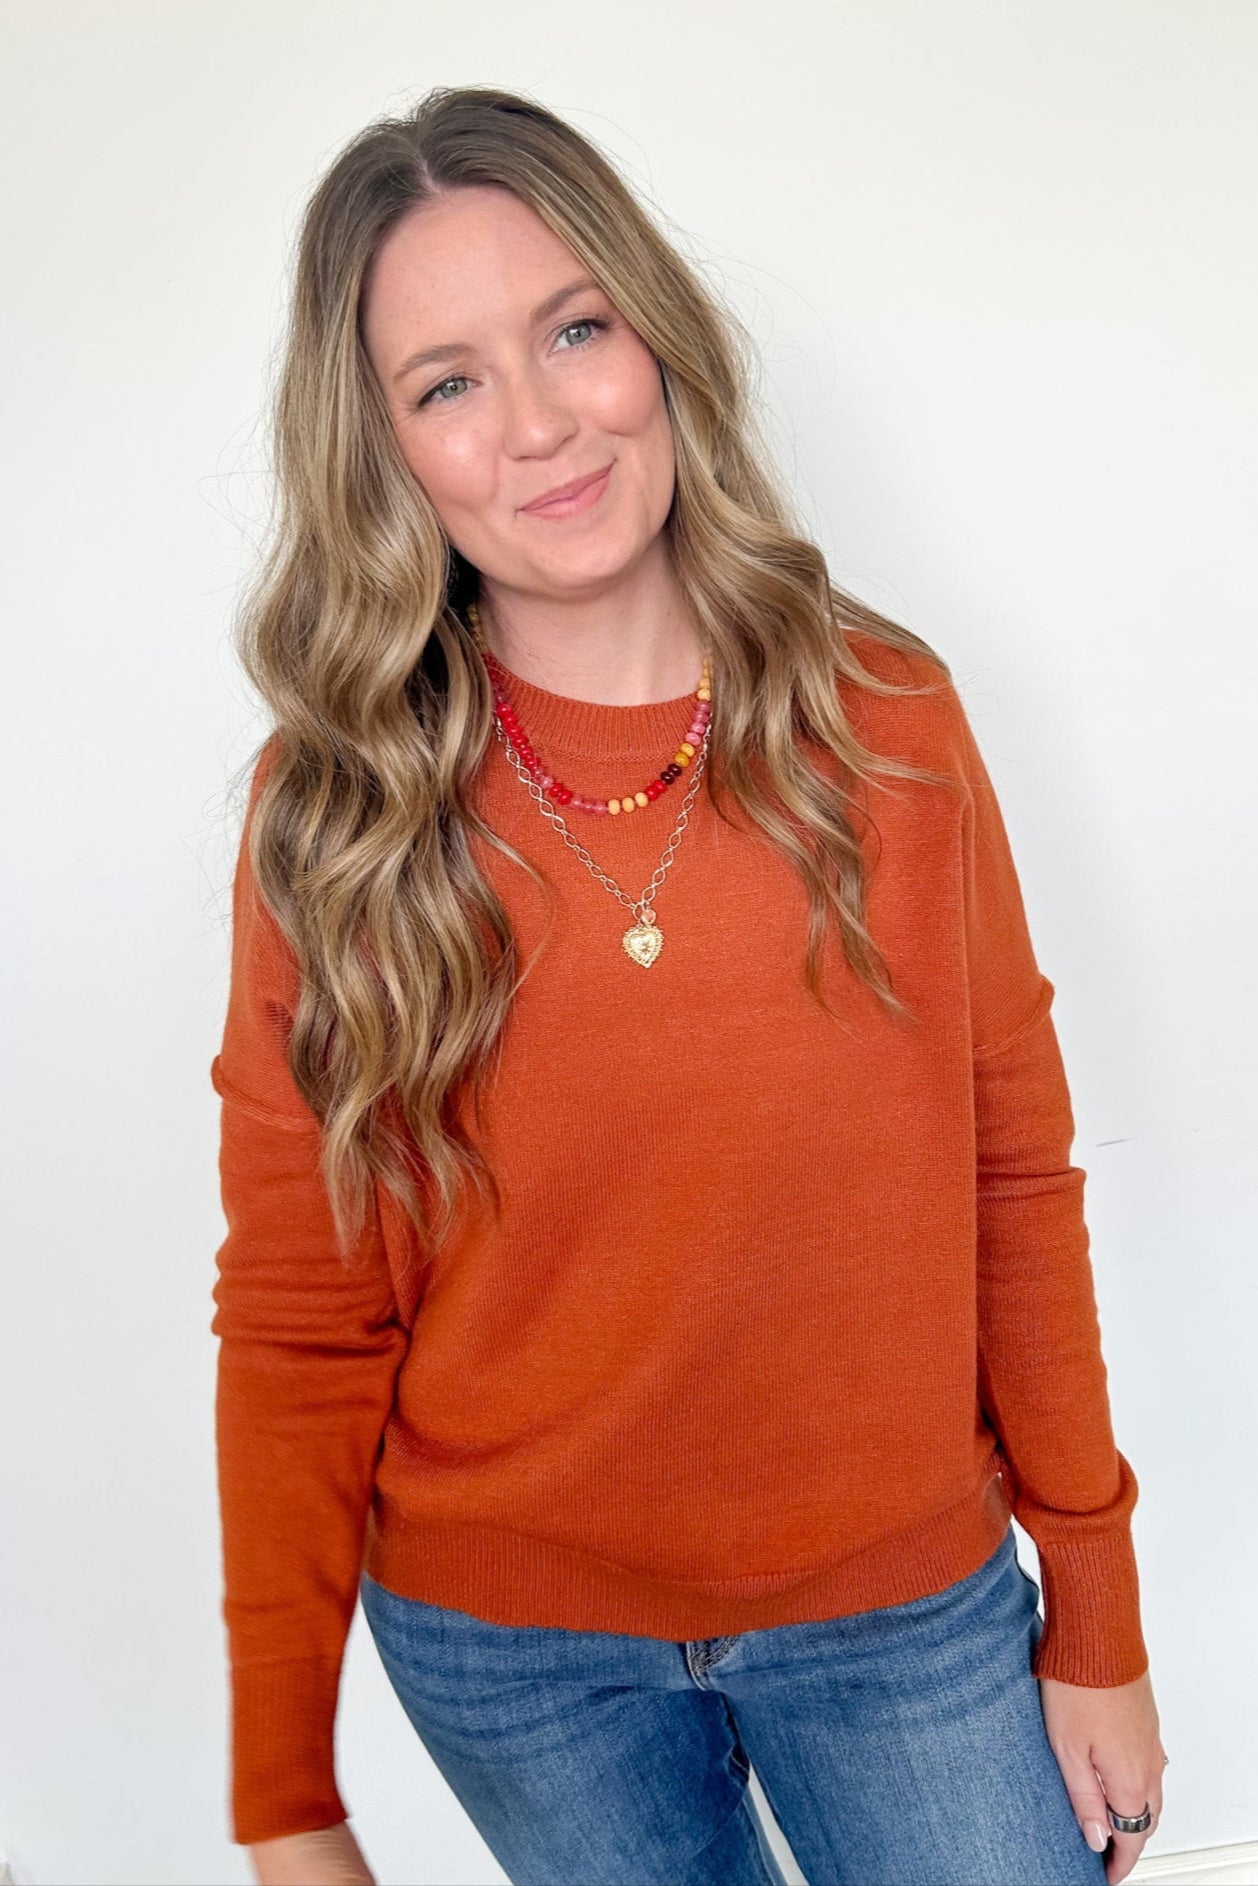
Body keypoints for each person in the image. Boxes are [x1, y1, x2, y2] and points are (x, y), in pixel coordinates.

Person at [209, 83, 1167, 1886]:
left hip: (903, 1613)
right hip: (518, 1656)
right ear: (385, 451)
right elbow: (297, 1312)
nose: (543, 423)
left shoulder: (882, 721)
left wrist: (1093, 1611)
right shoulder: (336, 809)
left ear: (653, 338)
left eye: (573, 328)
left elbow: (1010, 1178)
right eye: (448, 382)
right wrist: (286, 1801)